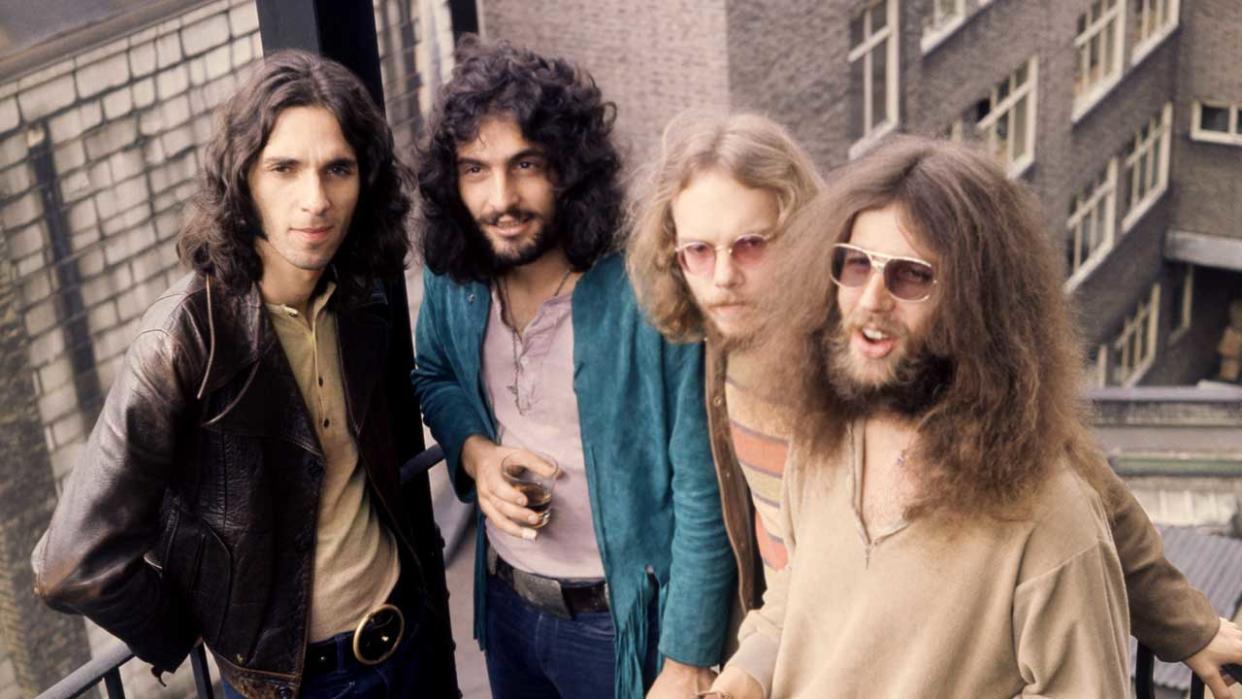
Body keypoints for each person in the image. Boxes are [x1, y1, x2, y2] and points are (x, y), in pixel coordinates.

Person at [628, 124, 1242, 698]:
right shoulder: (818, 419)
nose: (723, 276)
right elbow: (801, 581)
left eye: (912, 276)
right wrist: (749, 670)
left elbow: (1091, 499)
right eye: (857, 263)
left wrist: (1190, 626)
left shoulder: (1045, 517)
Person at [32, 50, 458, 698]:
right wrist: (191, 628)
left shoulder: (359, 294)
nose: (315, 199)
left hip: (410, 638)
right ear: (243, 178)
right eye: (284, 167)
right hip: (292, 683)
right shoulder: (183, 338)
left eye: (337, 169)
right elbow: (69, 561)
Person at [410, 38, 734, 698]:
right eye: (474, 169)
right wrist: (477, 454)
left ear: (569, 165)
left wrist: (689, 657)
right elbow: (433, 373)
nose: (499, 197)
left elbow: (703, 482)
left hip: (622, 624)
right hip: (506, 606)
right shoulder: (458, 275)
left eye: (524, 163)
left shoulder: (645, 286)